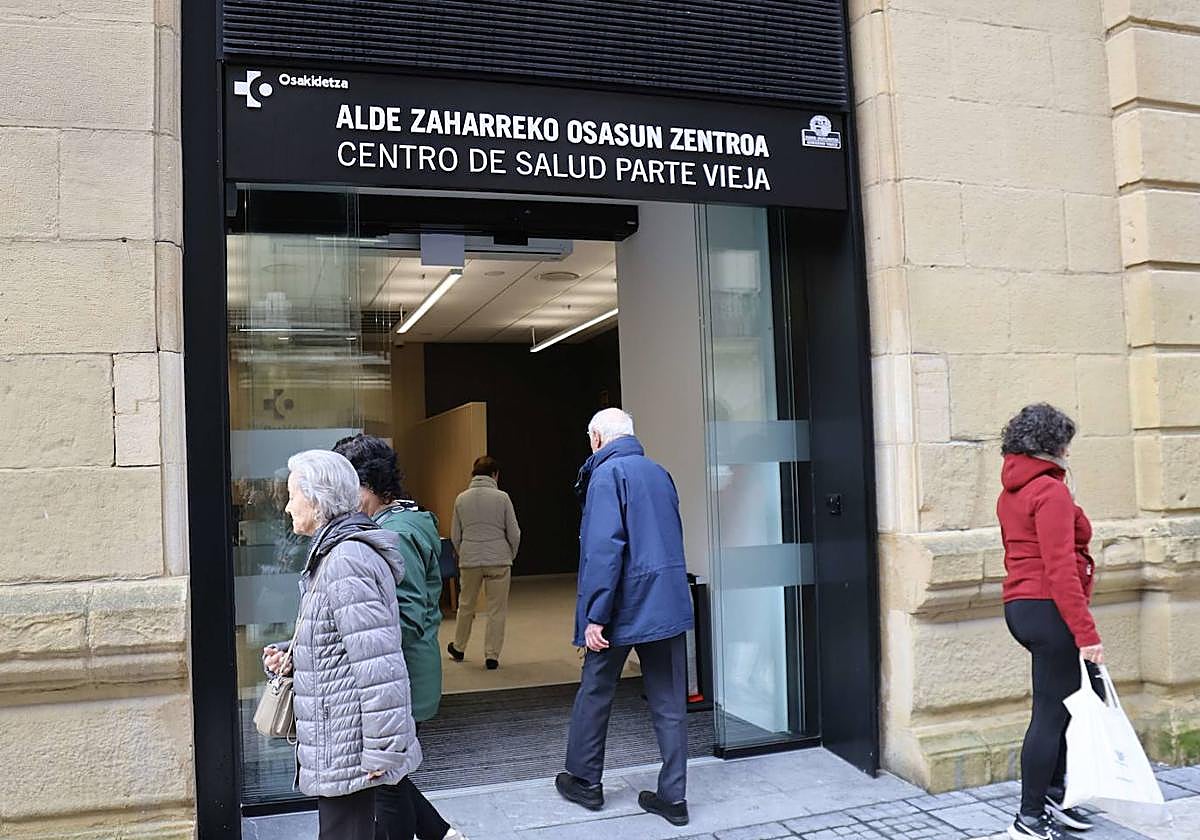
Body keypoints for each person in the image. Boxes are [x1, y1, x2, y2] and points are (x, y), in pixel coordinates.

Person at [261, 450, 421, 840]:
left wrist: (383, 748)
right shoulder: (335, 553)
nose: (286, 506)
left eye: (292, 495)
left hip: (346, 740)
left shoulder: (346, 559)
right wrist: (294, 652)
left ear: (316, 501)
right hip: (340, 733)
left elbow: (379, 663)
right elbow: (342, 637)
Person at [556, 408, 695, 827]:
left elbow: (604, 551)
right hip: (667, 601)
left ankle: (585, 780)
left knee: (596, 692)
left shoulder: (606, 477)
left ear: (597, 438)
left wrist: (594, 617)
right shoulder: (659, 473)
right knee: (670, 702)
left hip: (622, 606)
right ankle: (674, 797)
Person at [332, 434, 468, 840]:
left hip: (401, 676)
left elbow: (403, 618)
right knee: (390, 778)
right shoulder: (395, 523)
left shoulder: (398, 533)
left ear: (368, 485)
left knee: (385, 784)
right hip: (401, 672)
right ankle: (442, 834)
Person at [998, 404, 1105, 840]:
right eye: (1065, 442)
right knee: (1049, 713)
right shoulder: (1049, 492)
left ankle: (1055, 798)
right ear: (1052, 445)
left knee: (1062, 708)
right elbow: (1060, 568)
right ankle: (1028, 818)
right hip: (1048, 608)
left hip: (1022, 608)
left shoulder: (1014, 489)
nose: (1068, 451)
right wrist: (1088, 635)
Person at [448, 455, 521, 670]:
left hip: (470, 560)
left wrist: (464, 553)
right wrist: (510, 554)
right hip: (499, 559)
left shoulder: (461, 498)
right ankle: (492, 655)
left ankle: (459, 647)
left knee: (465, 606)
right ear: (495, 475)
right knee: (496, 610)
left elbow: (455, 534)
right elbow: (514, 532)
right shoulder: (503, 498)